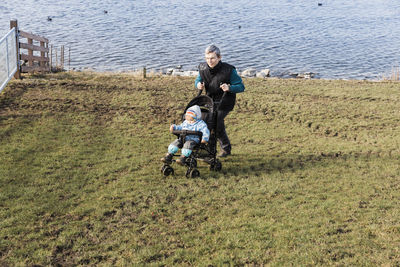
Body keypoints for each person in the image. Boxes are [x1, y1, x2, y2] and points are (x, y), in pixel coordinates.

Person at [195, 44, 245, 157]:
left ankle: (210, 151)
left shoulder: (229, 70)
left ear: (219, 57)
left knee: (213, 122)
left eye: (212, 58)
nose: (210, 61)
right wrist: (198, 85)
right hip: (209, 101)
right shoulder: (202, 68)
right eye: (207, 58)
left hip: (225, 101)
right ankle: (225, 149)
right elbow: (198, 80)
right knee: (216, 124)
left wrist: (230, 88)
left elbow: (241, 87)